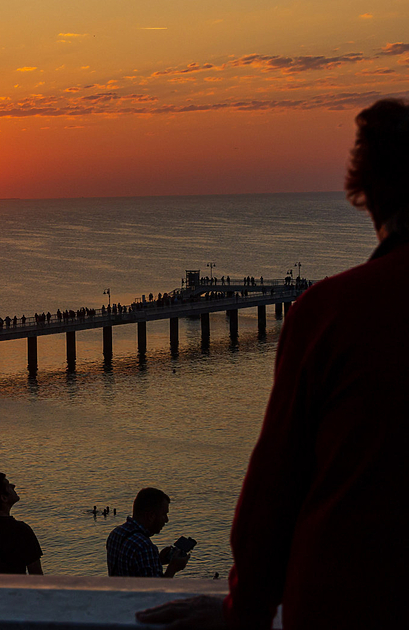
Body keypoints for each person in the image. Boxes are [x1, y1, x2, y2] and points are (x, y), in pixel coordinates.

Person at [138, 98, 409, 629]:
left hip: (346, 603)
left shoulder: (332, 313)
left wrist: (245, 610)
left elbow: (274, 492)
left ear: (364, 194)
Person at [106, 487, 188, 578]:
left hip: (117, 591)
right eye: (164, 514)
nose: (166, 520)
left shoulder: (116, 533)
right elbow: (156, 590)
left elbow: (129, 568)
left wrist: (158, 561)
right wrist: (172, 568)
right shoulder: (145, 547)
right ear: (151, 516)